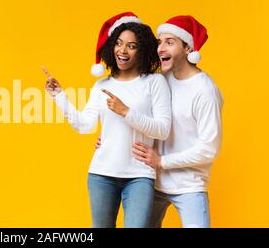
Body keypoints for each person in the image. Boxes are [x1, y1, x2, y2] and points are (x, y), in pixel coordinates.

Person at [41, 12, 171, 228]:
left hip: (139, 176)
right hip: (101, 175)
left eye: (132, 46)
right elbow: (85, 126)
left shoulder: (154, 82)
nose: (123, 50)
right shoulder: (102, 85)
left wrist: (126, 112)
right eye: (119, 44)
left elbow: (163, 130)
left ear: (143, 50)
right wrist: (58, 96)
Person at [130, 15, 224, 228]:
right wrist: (110, 137)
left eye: (170, 42)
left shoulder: (205, 92)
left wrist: (162, 161)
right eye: (160, 42)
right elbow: (143, 119)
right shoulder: (160, 81)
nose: (160, 48)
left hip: (189, 185)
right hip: (152, 183)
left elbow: (209, 148)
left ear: (189, 49)